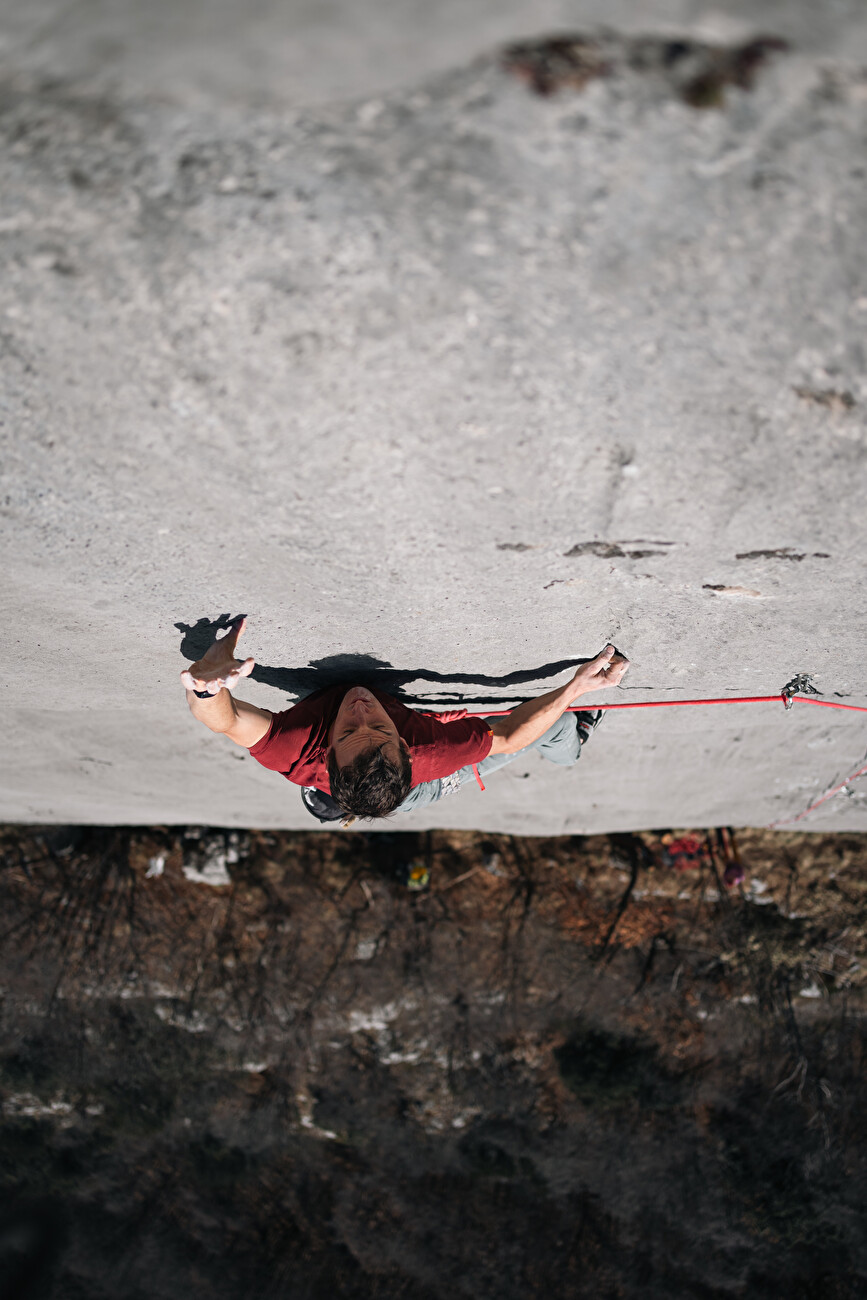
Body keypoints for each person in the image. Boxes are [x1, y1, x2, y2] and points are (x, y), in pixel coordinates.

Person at [180, 618, 630, 822]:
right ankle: (577, 740)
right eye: (377, 728)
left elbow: (225, 721)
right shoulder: (432, 752)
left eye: (352, 730)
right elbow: (510, 737)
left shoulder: (296, 749)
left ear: (328, 752)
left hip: (357, 783)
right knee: (555, 724)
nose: (360, 708)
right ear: (407, 750)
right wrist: (576, 689)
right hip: (418, 787)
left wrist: (206, 687)